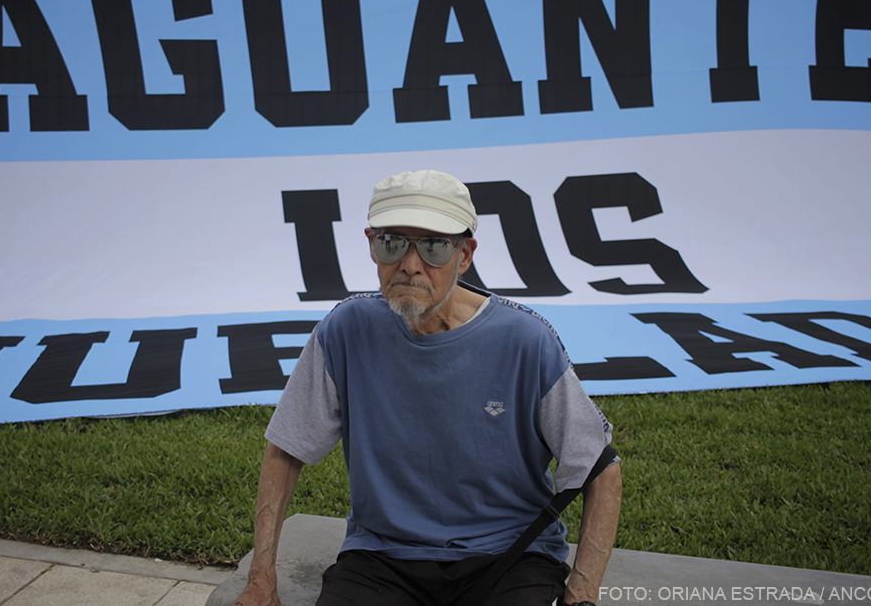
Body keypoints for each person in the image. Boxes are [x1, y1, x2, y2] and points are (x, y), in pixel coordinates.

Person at [232, 170, 622, 606]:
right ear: (371, 244)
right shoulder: (345, 330)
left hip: (511, 555)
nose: (410, 264)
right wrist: (260, 579)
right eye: (392, 243)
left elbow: (599, 468)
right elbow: (285, 451)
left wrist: (581, 596)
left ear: (464, 254)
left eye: (434, 246)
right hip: (383, 556)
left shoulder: (526, 341)